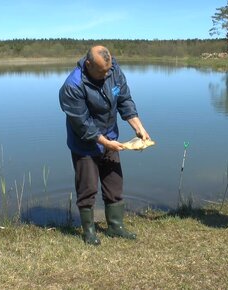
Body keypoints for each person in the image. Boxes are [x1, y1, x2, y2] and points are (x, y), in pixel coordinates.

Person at [59, 45, 151, 245]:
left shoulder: (113, 70)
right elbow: (83, 124)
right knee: (88, 188)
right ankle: (89, 231)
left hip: (110, 137)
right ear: (88, 64)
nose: (106, 74)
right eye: (101, 71)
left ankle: (115, 227)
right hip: (85, 143)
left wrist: (138, 127)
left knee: (114, 184)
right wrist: (105, 143)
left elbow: (125, 100)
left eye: (108, 70)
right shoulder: (72, 86)